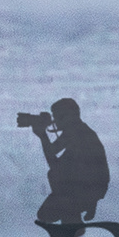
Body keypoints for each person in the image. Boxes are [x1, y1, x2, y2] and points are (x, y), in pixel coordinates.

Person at [20, 98, 110, 229]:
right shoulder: (79, 131)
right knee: (47, 211)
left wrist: (43, 135)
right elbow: (54, 156)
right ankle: (80, 213)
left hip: (84, 188)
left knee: (49, 208)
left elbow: (54, 163)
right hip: (89, 186)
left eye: (58, 117)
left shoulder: (77, 133)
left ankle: (74, 222)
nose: (55, 121)